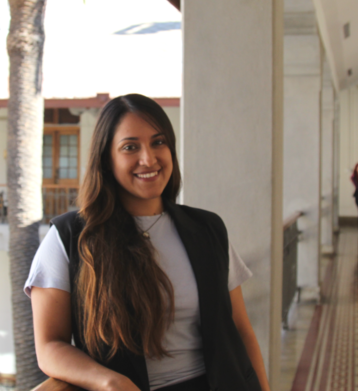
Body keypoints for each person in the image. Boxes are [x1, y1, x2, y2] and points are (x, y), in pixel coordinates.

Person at [24, 94, 270, 391]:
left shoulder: (207, 228)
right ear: (106, 159)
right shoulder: (70, 238)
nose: (149, 159)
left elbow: (241, 329)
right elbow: (49, 346)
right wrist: (108, 381)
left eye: (158, 142)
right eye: (130, 147)